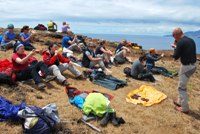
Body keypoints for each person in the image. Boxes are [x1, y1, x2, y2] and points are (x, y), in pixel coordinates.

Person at [171, 27, 196, 113]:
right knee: (181, 83)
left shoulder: (180, 42)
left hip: (186, 67)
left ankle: (185, 108)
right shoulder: (191, 40)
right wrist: (177, 46)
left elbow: (175, 57)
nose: (173, 37)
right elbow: (187, 51)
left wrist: (175, 47)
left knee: (181, 87)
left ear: (177, 34)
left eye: (173, 35)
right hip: (192, 66)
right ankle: (179, 101)